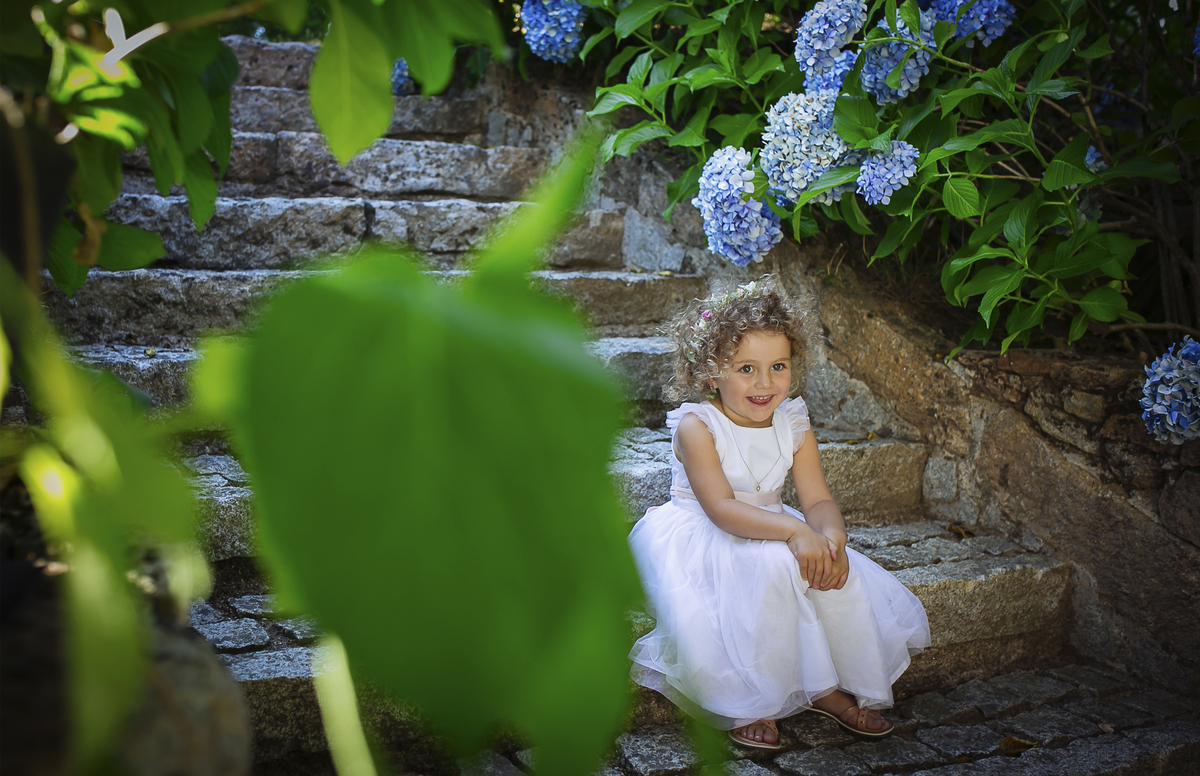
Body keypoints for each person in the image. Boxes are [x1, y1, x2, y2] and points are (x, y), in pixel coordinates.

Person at [627, 277, 931, 749]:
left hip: (774, 521)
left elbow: (816, 500)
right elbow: (722, 509)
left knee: (827, 569)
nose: (764, 383)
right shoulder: (697, 427)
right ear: (712, 373)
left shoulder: (793, 423)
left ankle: (825, 689)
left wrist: (832, 537)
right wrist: (794, 531)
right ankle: (758, 698)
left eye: (778, 366)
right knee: (773, 570)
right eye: (746, 368)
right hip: (709, 532)